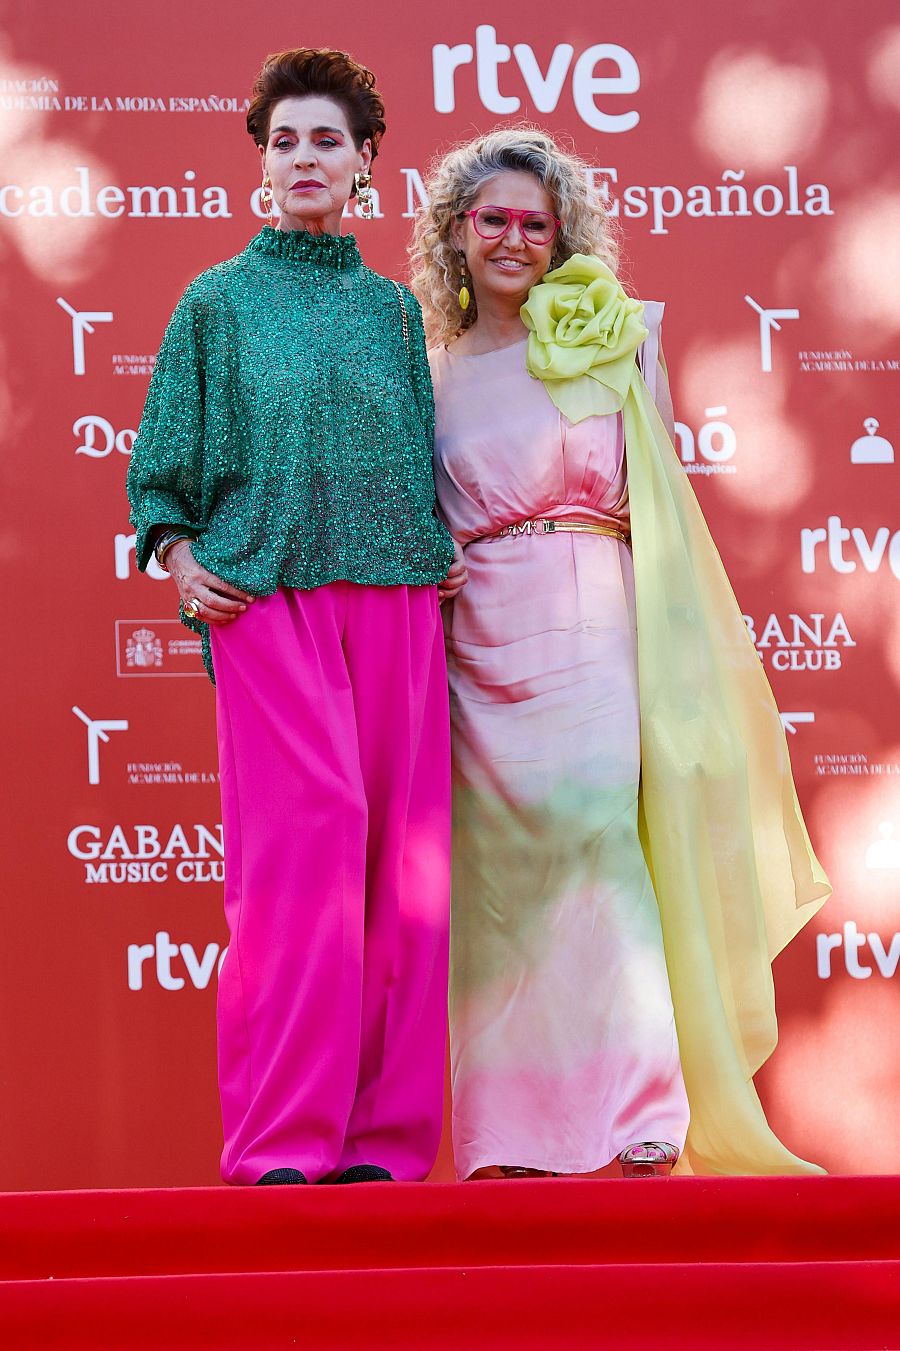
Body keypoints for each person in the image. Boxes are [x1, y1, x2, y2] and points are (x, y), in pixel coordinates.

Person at [410, 128, 830, 1181]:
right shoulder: (426, 374)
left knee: (602, 841)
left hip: (598, 621)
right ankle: (507, 1139)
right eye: (491, 219)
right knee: (502, 884)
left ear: (562, 239)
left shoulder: (621, 337)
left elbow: (662, 502)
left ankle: (642, 1115)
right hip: (480, 640)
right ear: (455, 235)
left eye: (533, 223)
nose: (513, 238)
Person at [127, 48, 459, 1187]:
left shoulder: (391, 311)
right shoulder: (214, 304)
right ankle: (283, 1142)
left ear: (368, 162)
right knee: (301, 857)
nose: (304, 158)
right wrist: (176, 556)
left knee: (404, 876)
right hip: (266, 600)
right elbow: (159, 472)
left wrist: (438, 552)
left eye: (327, 140)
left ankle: (384, 1144)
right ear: (262, 165)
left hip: (400, 607)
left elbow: (419, 462)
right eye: (285, 142)